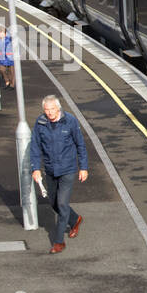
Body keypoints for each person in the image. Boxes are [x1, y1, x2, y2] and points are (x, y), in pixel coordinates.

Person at [29, 95, 88, 255]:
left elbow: (80, 144)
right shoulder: (40, 123)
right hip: (50, 170)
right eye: (46, 110)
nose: (49, 113)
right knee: (53, 203)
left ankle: (58, 242)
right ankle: (75, 219)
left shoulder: (70, 121)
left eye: (52, 109)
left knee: (62, 204)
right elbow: (35, 146)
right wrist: (35, 168)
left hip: (67, 169)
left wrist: (83, 167)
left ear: (59, 108)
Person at [0, 24, 15, 89]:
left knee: (11, 71)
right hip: (1, 57)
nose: (0, 34)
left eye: (1, 33)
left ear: (5, 33)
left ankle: (12, 84)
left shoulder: (10, 38)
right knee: (2, 70)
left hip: (10, 57)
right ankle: (7, 81)